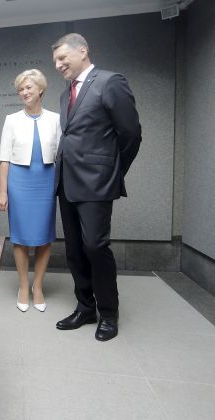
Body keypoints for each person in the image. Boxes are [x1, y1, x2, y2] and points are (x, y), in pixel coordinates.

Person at [51, 33, 141, 341]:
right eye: (55, 61)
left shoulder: (109, 81)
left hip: (96, 183)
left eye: (63, 58)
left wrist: (112, 172)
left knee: (95, 247)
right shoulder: (66, 94)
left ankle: (109, 313)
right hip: (67, 182)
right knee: (74, 250)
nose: (58, 65)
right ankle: (85, 307)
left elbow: (131, 133)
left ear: (83, 51)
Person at [0, 70, 61, 313]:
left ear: (40, 89)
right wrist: (3, 191)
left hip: (46, 182)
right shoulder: (11, 119)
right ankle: (23, 286)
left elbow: (62, 155)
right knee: (21, 236)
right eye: (20, 89)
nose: (24, 92)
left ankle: (38, 287)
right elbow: (4, 158)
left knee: (44, 236)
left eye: (28, 87)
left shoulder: (56, 119)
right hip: (19, 183)